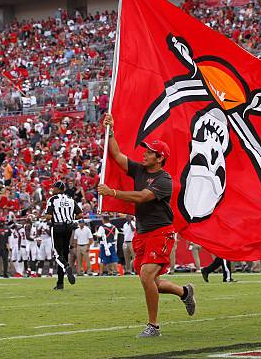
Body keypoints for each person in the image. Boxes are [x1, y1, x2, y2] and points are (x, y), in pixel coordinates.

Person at [98, 113, 196, 338]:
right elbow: (116, 154)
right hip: (142, 233)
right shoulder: (141, 170)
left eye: (150, 151)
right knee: (152, 281)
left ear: (160, 158)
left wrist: (112, 192)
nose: (145, 153)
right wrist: (110, 132)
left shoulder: (164, 180)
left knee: (146, 276)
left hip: (161, 232)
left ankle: (153, 326)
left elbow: (142, 197)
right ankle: (184, 292)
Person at [43, 181, 82, 290]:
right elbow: (80, 214)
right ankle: (60, 283)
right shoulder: (70, 199)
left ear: (59, 189)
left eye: (54, 188)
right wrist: (69, 219)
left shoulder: (53, 199)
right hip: (68, 228)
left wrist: (42, 218)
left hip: (57, 227)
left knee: (56, 254)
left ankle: (66, 267)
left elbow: (49, 216)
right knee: (63, 255)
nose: (52, 190)